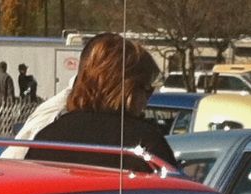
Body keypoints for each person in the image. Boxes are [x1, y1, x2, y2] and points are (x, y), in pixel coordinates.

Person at [27, 33, 177, 170]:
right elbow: (173, 188)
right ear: (128, 89)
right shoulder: (145, 145)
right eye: (147, 89)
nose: (147, 100)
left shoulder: (47, 138)